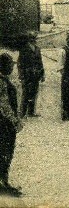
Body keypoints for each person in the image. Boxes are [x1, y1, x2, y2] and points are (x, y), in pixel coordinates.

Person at [0, 53, 23, 197]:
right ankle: (3, 183)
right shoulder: (1, 82)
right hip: (4, 123)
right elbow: (4, 105)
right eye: (10, 65)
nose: (12, 67)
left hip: (6, 123)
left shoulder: (4, 80)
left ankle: (4, 181)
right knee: (4, 152)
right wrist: (15, 121)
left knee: (6, 152)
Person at [17, 32, 44, 118]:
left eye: (34, 38)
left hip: (36, 74)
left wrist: (42, 74)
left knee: (34, 92)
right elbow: (19, 63)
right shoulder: (24, 49)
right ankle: (22, 113)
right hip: (27, 75)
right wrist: (21, 75)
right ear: (29, 39)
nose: (34, 40)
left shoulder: (37, 49)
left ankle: (31, 112)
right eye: (32, 38)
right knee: (26, 93)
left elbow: (40, 63)